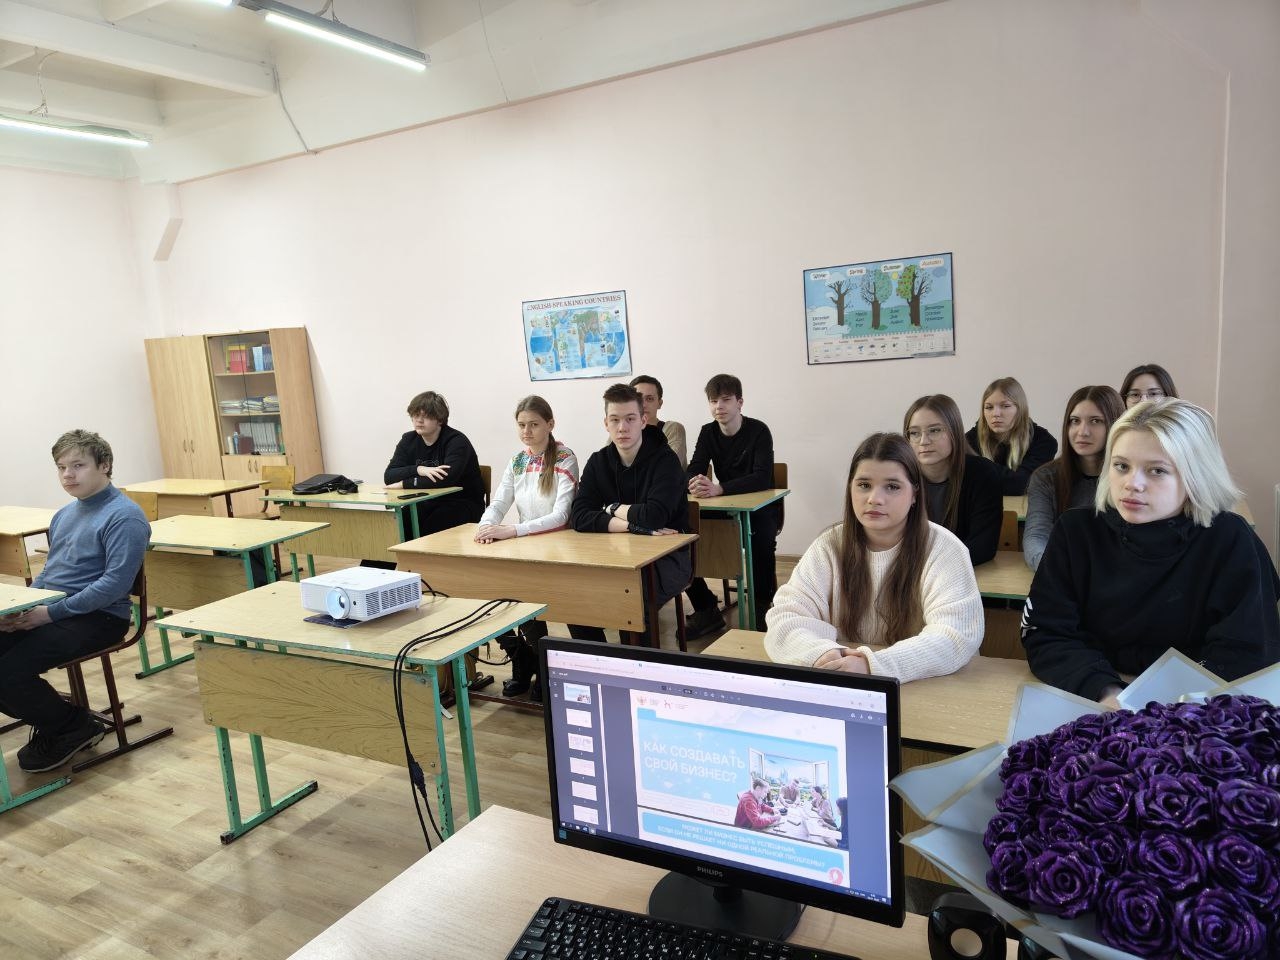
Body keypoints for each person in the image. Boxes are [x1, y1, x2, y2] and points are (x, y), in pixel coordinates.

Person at [1022, 399, 1280, 705]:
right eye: (1121, 466)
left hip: (1194, 707)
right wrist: (1105, 691)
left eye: (1157, 471)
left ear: (1195, 476)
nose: (1132, 484)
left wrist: (1166, 710)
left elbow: (1246, 652)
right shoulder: (1076, 532)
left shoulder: (1231, 540)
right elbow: (1047, 632)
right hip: (1099, 697)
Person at [765, 433, 983, 682]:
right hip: (845, 680)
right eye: (864, 485)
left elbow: (955, 634)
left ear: (915, 494)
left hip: (924, 683)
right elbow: (786, 617)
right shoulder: (829, 545)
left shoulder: (945, 550)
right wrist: (823, 654)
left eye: (892, 487)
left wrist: (872, 666)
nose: (874, 499)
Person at [0, 430, 150, 773]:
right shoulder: (65, 514)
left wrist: (49, 614)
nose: (68, 475)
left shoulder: (125, 516)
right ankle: (55, 718)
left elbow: (114, 585)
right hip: (56, 611)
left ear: (105, 465)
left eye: (78, 465)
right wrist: (20, 609)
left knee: (8, 674)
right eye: (61, 467)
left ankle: (72, 726)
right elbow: (52, 572)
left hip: (101, 618)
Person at [475, 396, 579, 699]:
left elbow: (560, 516)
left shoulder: (564, 457)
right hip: (525, 546)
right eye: (521, 425)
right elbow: (499, 502)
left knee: (538, 605)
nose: (527, 431)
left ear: (550, 424)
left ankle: (546, 669)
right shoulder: (517, 460)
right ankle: (523, 658)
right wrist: (486, 526)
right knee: (491, 596)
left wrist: (511, 530)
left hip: (560, 548)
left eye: (534, 424)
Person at [570, 383, 690, 643]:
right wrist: (633, 525)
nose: (622, 427)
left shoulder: (665, 460)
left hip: (668, 556)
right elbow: (578, 515)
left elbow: (655, 517)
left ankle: (638, 664)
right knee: (573, 595)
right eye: (615, 420)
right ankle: (598, 660)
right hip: (614, 555)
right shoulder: (598, 461)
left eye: (630, 419)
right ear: (606, 423)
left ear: (644, 420)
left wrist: (611, 508)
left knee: (631, 597)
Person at [685, 373, 779, 637]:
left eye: (726, 400)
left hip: (760, 507)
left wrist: (720, 488)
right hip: (725, 506)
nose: (719, 407)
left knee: (761, 541)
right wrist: (694, 483)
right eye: (713, 401)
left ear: (740, 402)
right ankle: (706, 608)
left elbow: (762, 477)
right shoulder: (708, 432)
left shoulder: (759, 430)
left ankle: (763, 606)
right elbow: (694, 467)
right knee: (684, 534)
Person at [1022, 385, 1124, 571]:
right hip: (1063, 573)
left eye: (1095, 421)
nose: (1082, 431)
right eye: (1075, 421)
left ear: (1115, 424)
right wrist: (1060, 571)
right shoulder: (1046, 477)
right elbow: (1036, 538)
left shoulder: (1129, 479)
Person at [903, 394, 1002, 565]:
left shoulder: (983, 474)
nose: (923, 441)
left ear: (954, 432)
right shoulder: (901, 476)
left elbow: (983, 546)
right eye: (914, 433)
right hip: (911, 572)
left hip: (961, 571)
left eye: (934, 430)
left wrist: (933, 566)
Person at [383, 390, 486, 535]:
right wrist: (419, 469)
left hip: (462, 502)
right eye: (415, 415)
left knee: (433, 525)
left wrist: (405, 483)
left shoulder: (456, 441)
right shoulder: (408, 440)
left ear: (440, 419)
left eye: (426, 416)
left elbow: (446, 478)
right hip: (426, 501)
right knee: (397, 526)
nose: (419, 420)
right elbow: (389, 476)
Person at [965, 377, 1057, 496]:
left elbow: (1020, 485)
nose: (996, 414)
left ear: (1020, 409)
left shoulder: (1043, 441)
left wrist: (979, 466)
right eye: (989, 407)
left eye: (1005, 406)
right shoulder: (968, 441)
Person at [630, 375, 687, 469]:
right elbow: (607, 468)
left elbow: (669, 468)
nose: (643, 405)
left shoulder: (672, 429)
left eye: (649, 399)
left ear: (659, 403)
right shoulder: (621, 430)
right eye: (638, 399)